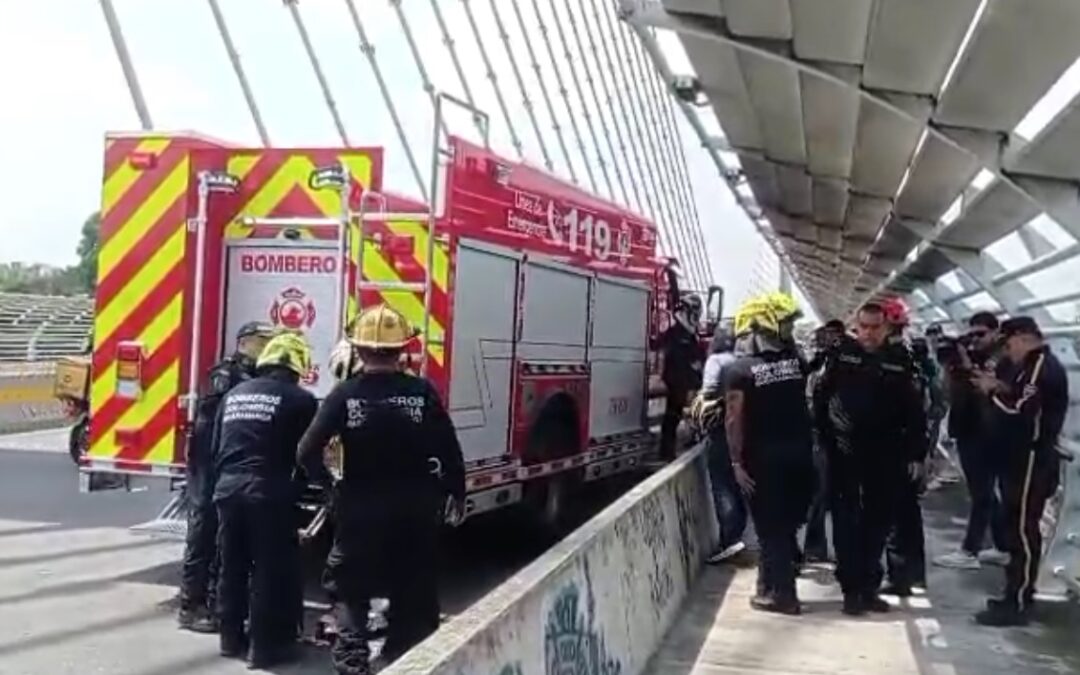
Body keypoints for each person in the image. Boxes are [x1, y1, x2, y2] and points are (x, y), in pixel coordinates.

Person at [297, 305, 465, 674]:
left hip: (359, 508)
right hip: (416, 509)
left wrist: (331, 488)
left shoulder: (345, 394)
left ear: (358, 350)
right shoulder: (421, 393)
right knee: (414, 587)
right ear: (402, 350)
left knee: (349, 590)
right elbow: (448, 449)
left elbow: (307, 451)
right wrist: (456, 492)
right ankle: (409, 661)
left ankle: (353, 663)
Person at [213, 332, 318, 667]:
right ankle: (265, 648)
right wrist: (323, 486)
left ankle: (229, 638)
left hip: (227, 489)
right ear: (297, 367)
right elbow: (307, 452)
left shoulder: (234, 394)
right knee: (269, 570)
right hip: (269, 494)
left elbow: (219, 445)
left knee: (232, 564)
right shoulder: (301, 400)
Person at [814, 302, 925, 616]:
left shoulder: (900, 362)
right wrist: (824, 442)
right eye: (863, 326)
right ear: (856, 326)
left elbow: (914, 412)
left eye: (875, 327)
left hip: (886, 455)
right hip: (843, 454)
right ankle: (851, 590)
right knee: (847, 522)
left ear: (886, 328)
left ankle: (869, 586)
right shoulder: (841, 356)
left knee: (878, 522)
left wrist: (916, 453)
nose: (868, 333)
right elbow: (819, 401)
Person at [178, 320, 275, 633]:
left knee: (224, 535)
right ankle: (190, 605)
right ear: (243, 342)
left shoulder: (259, 376)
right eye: (261, 341)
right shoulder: (227, 373)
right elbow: (218, 416)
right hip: (208, 457)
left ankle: (218, 602)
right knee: (203, 527)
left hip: (230, 462)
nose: (265, 347)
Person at [973, 317, 1069, 626]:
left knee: (1023, 530)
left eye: (1009, 343)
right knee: (1014, 526)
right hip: (1021, 459)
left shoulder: (1040, 365)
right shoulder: (1031, 366)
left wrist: (992, 392)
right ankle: (1013, 593)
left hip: (1032, 459)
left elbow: (1023, 410)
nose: (1008, 351)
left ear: (1025, 338)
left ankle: (1019, 601)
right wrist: (1001, 387)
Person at [725, 294, 815, 615]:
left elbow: (734, 420)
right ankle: (766, 586)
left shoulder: (738, 371)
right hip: (802, 457)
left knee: (770, 530)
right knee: (786, 526)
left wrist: (735, 462)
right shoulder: (797, 363)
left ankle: (784, 597)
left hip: (764, 462)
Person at [934, 312, 1011, 570]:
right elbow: (948, 390)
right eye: (972, 334)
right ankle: (1003, 546)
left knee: (982, 494)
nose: (975, 340)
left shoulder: (1001, 359)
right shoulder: (971, 356)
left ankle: (970, 551)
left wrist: (968, 367)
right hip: (968, 429)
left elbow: (992, 391)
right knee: (987, 494)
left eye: (981, 334)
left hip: (986, 432)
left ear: (995, 332)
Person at [879, 298, 930, 596]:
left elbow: (910, 411)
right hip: (908, 447)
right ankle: (915, 574)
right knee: (909, 513)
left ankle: (899, 577)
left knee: (894, 514)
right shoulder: (914, 354)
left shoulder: (892, 359)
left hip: (893, 447)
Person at [690, 321, 747, 563]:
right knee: (739, 484)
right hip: (745, 429)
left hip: (722, 429)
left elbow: (710, 392)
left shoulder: (716, 361)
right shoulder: (743, 361)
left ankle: (730, 540)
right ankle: (739, 534)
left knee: (722, 483)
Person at [803, 320, 845, 563]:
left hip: (841, 436)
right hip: (821, 435)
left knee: (839, 496)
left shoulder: (846, 362)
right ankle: (815, 547)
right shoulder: (817, 364)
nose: (825, 341)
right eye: (823, 337)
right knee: (820, 494)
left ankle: (842, 548)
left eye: (830, 336)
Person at [655, 293, 706, 460]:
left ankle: (671, 452)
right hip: (677, 386)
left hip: (687, 386)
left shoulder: (689, 336)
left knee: (675, 420)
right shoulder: (674, 335)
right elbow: (669, 361)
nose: (696, 318)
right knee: (672, 420)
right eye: (694, 314)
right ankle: (667, 454)